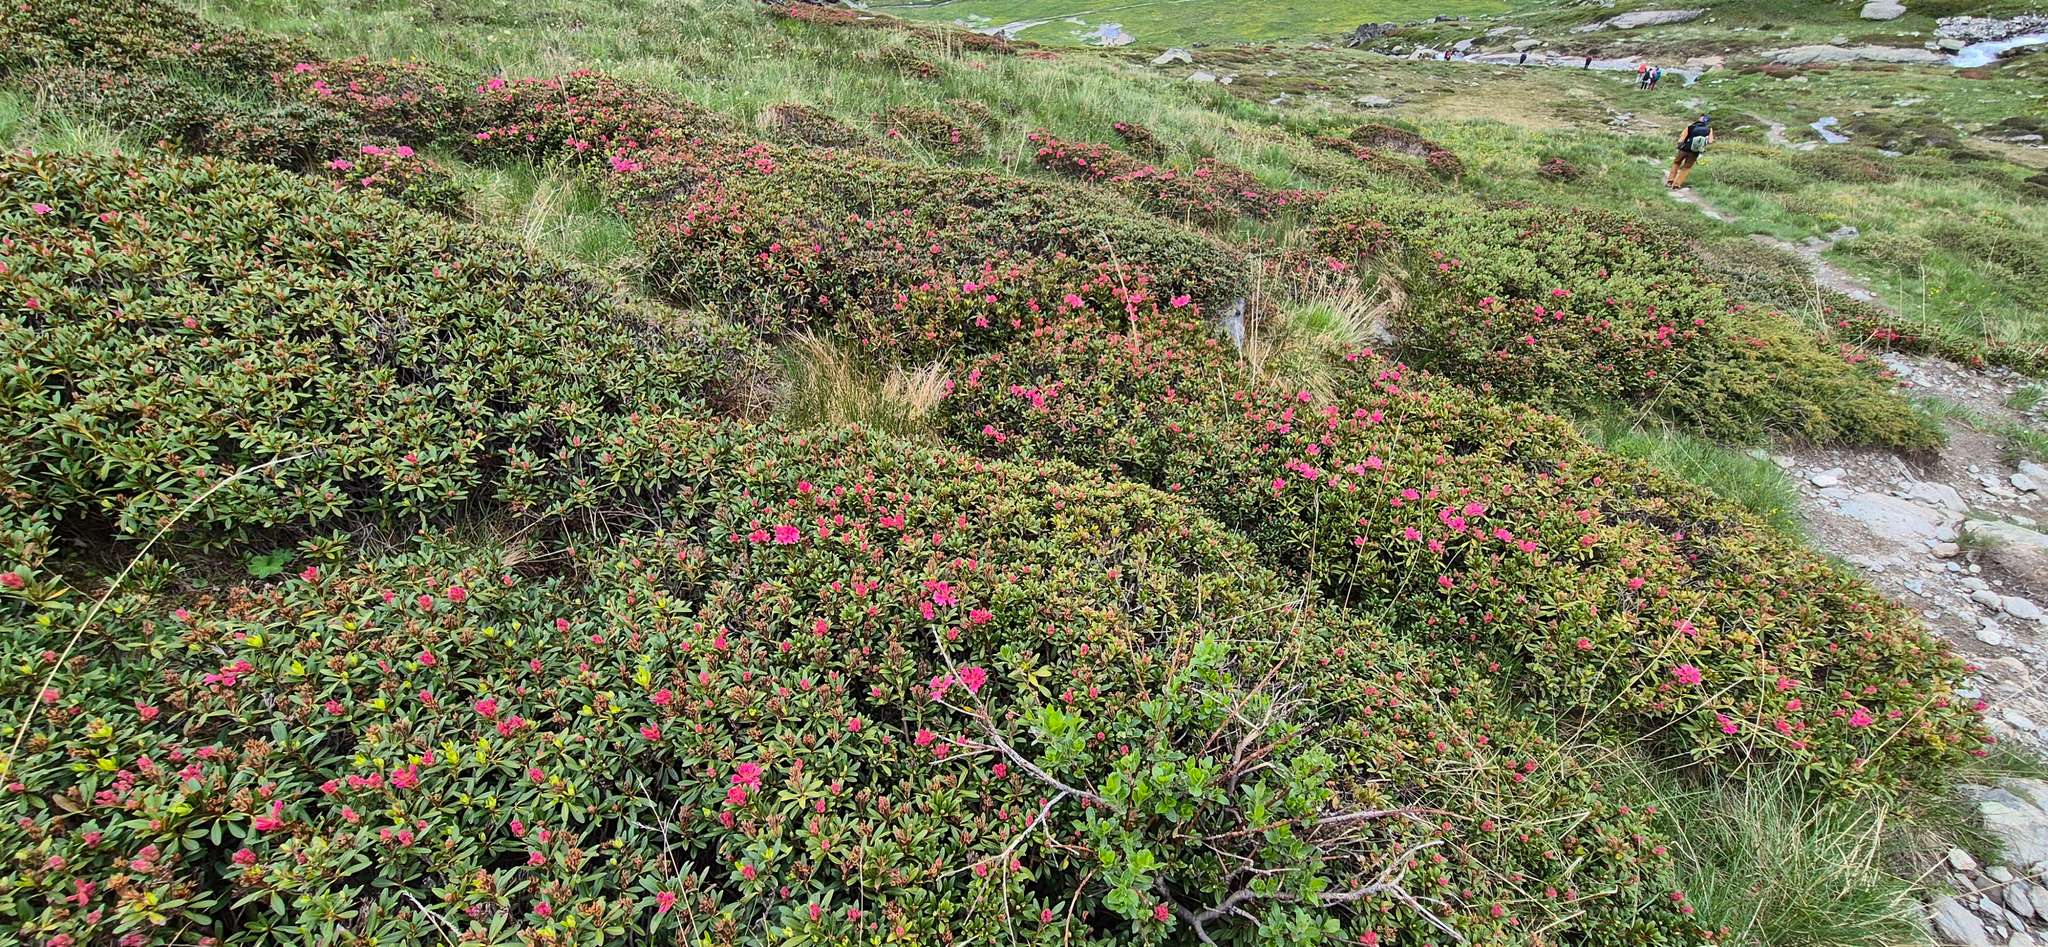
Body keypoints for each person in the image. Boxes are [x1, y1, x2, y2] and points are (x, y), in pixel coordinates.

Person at [1666, 113, 1713, 188]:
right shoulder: (1709, 129)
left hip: (1684, 149)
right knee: (1686, 168)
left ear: (1700, 118)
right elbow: (1710, 141)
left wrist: (1679, 145)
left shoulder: (1691, 127)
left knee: (1676, 163)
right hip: (1695, 152)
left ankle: (1670, 181)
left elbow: (1682, 138)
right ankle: (1677, 184)